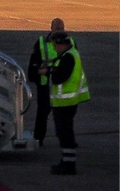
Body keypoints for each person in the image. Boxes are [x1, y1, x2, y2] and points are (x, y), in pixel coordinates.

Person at [46, 32, 89, 175]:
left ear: (61, 43)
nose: (54, 48)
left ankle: (69, 165)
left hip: (65, 102)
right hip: (67, 102)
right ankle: (67, 161)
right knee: (65, 132)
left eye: (55, 45)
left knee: (65, 133)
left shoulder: (68, 57)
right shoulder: (71, 54)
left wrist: (50, 72)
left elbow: (60, 78)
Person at [26, 17, 68, 146]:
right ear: (51, 29)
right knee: (43, 113)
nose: (59, 31)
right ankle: (39, 138)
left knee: (63, 114)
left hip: (62, 85)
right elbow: (33, 64)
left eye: (61, 28)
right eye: (57, 28)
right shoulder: (41, 43)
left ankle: (65, 138)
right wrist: (35, 74)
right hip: (45, 84)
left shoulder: (69, 43)